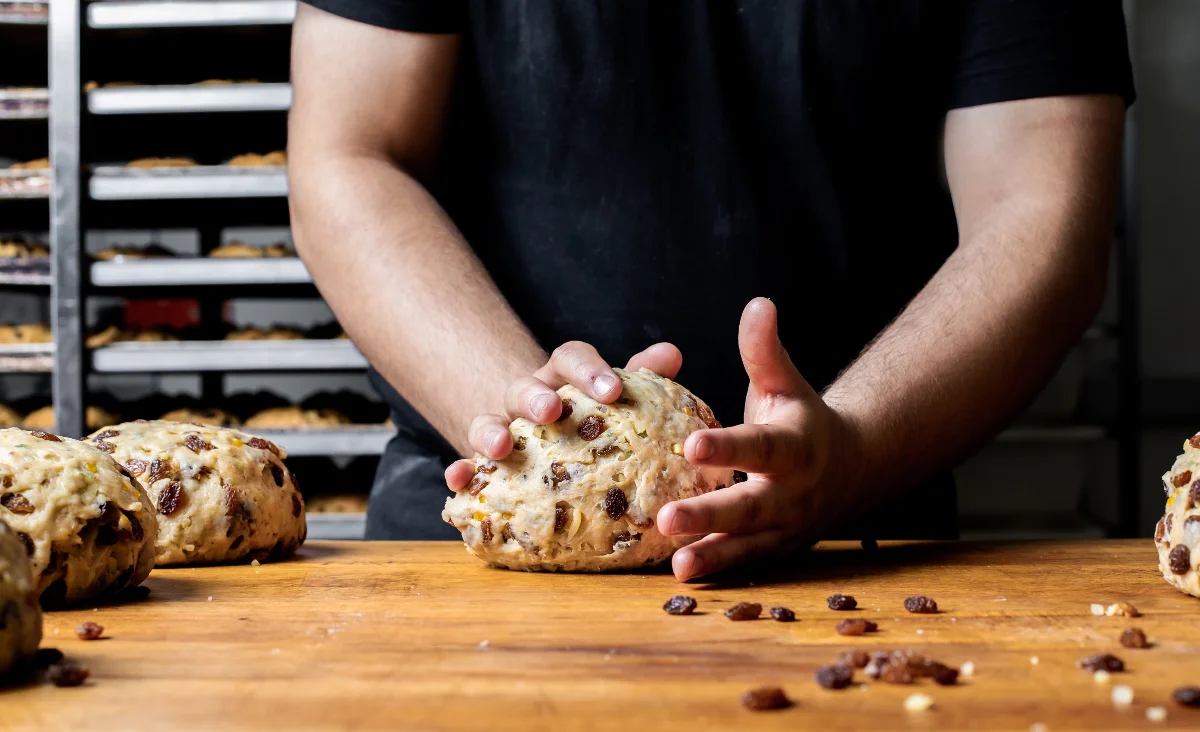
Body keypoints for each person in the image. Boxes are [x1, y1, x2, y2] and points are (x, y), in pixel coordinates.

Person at [288, 1, 1135, 580]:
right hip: (477, 516)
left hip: (855, 539)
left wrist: (849, 450)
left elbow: (1044, 209)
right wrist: (529, 428)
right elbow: (349, 157)